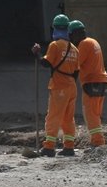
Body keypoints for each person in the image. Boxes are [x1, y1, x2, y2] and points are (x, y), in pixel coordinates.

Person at [30, 14, 80, 157]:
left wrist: (37, 53)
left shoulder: (55, 45)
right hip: (72, 88)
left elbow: (46, 63)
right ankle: (69, 147)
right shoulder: (74, 49)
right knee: (68, 118)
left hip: (59, 87)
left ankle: (49, 147)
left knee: (53, 117)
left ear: (55, 28)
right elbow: (76, 72)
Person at [68, 20, 107, 147]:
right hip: (102, 82)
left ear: (75, 34)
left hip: (92, 83)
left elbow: (75, 65)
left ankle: (98, 143)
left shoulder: (84, 45)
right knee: (96, 114)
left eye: (71, 36)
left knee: (90, 115)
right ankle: (96, 141)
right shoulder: (94, 42)